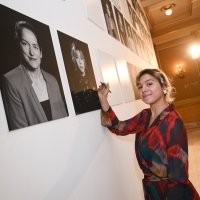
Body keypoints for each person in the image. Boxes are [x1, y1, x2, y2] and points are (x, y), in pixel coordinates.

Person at [98, 68, 200, 200]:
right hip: (152, 191)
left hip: (173, 194)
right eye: (140, 86)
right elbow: (118, 127)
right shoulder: (144, 116)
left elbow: (178, 175)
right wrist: (102, 98)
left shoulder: (173, 122)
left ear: (164, 86)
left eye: (149, 84)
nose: (144, 89)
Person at [2, 21, 68, 131]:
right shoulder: (10, 81)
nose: (32, 52)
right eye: (25, 44)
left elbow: (64, 120)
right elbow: (20, 133)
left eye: (35, 46)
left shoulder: (52, 81)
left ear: (41, 52)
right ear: (19, 46)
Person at [70, 42, 101, 114]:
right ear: (74, 60)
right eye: (77, 58)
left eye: (81, 58)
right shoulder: (74, 85)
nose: (80, 62)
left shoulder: (92, 81)